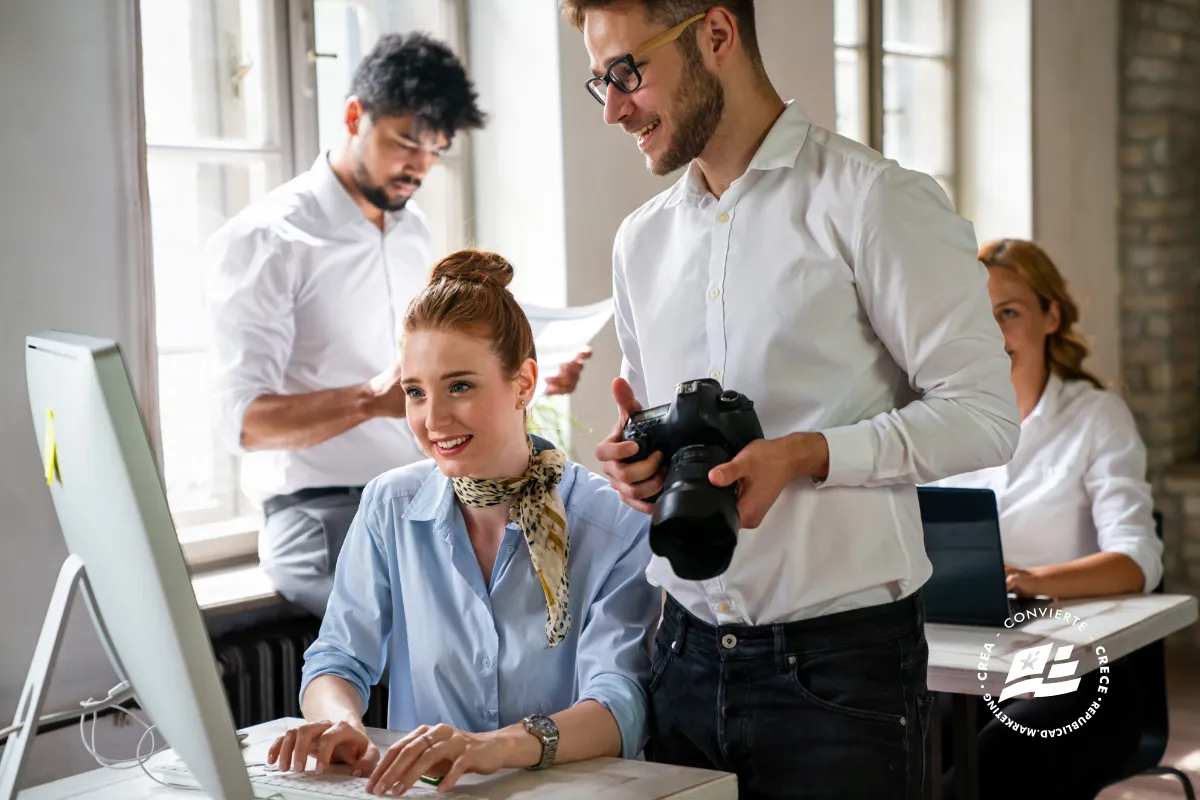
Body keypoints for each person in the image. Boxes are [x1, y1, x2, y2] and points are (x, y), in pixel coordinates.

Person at [562, 2, 1021, 797]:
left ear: (716, 34)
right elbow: (657, 424)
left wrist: (810, 454)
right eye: (599, 80)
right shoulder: (641, 241)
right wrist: (636, 463)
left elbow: (985, 415)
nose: (614, 108)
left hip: (842, 674)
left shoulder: (876, 201)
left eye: (628, 72)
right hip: (681, 654)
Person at [204, 33, 590, 618]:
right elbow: (246, 425)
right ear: (354, 116)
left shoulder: (410, 232)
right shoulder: (269, 240)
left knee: (560, 598)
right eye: (406, 142)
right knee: (443, 628)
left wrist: (514, 381)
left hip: (430, 493)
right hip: (320, 513)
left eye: (435, 149)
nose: (420, 166)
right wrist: (370, 401)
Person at [264, 249, 658, 795]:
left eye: (460, 386)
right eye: (414, 392)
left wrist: (491, 748)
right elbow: (338, 656)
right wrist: (340, 720)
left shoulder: (615, 522)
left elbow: (619, 704)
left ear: (524, 383)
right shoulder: (389, 505)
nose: (434, 419)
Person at [932, 239, 1163, 800]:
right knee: (892, 745)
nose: (993, 334)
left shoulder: (1096, 416)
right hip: (970, 664)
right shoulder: (944, 425)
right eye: (978, 318)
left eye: (1008, 313)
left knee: (984, 771)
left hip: (1086, 673)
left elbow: (1138, 561)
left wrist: (1032, 581)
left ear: (1051, 315)